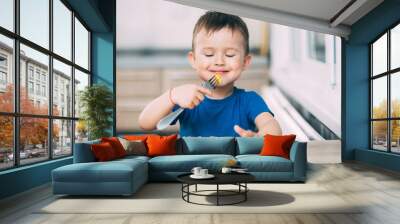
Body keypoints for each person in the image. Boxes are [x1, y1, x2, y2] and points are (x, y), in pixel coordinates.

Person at [138, 11, 282, 137]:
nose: (219, 61)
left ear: (245, 62)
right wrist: (172, 96)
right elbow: (145, 123)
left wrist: (260, 138)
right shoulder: (187, 99)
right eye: (209, 54)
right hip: (193, 168)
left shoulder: (250, 101)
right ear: (193, 60)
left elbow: (271, 126)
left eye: (230, 54)